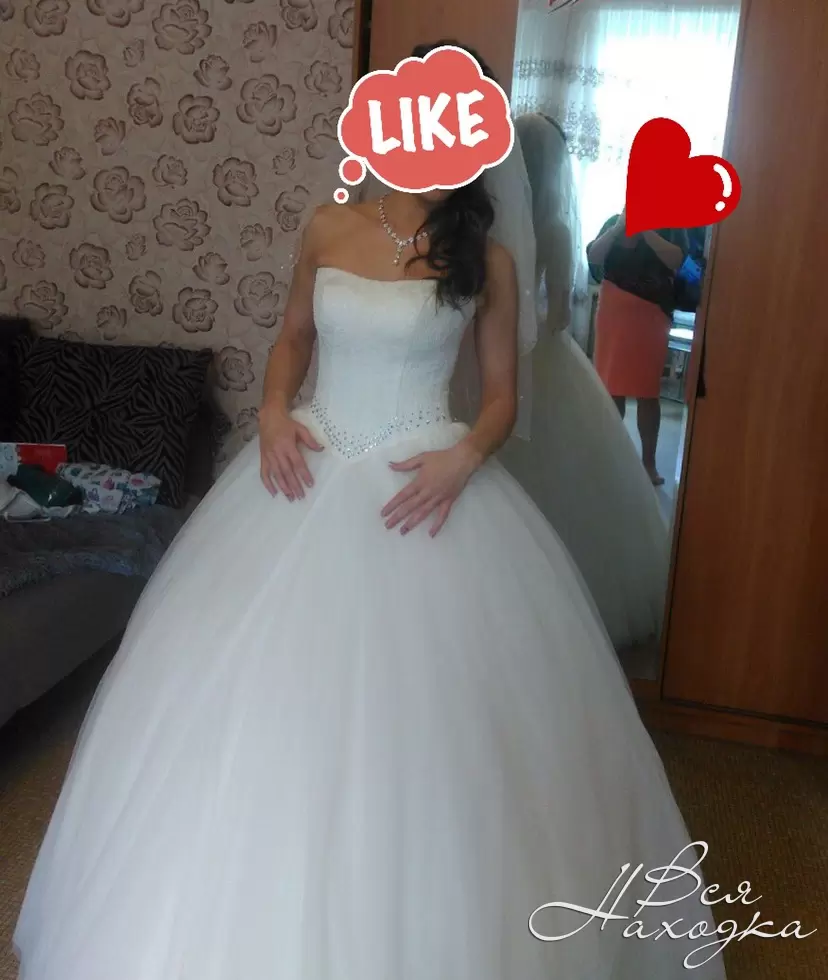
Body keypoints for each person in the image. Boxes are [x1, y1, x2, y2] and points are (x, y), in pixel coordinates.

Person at [14, 43, 727, 980]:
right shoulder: (327, 226)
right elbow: (291, 340)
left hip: (426, 482)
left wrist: (463, 456)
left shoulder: (487, 259)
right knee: (250, 698)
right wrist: (273, 415)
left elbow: (503, 398)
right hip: (301, 471)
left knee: (442, 732)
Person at [497, 112, 669, 651]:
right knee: (562, 473)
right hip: (544, 357)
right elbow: (558, 317)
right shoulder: (555, 227)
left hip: (490, 351)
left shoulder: (490, 218)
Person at [587, 212, 689, 485]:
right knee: (611, 390)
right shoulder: (614, 222)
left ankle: (648, 464)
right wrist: (618, 228)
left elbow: (677, 260)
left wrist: (645, 230)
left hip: (651, 318)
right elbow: (594, 257)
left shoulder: (672, 225)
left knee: (647, 392)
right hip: (613, 316)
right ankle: (609, 458)